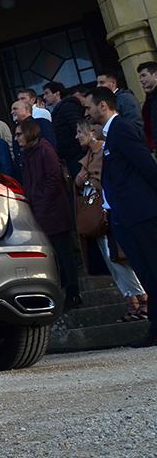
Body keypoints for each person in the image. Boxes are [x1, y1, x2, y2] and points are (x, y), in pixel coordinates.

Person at [86, 86, 157, 348]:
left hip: (141, 213)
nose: (87, 112)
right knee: (147, 273)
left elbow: (146, 165)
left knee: (153, 269)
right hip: (125, 216)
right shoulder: (110, 134)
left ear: (103, 106)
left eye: (89, 107)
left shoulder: (122, 128)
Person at [75, 120, 148, 322]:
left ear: (90, 132)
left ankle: (143, 300)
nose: (76, 137)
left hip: (108, 211)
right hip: (96, 215)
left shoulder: (104, 150)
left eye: (79, 132)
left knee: (119, 258)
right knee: (112, 260)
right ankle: (132, 302)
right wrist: (79, 183)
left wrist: (87, 181)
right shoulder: (89, 156)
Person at [16, 117, 81, 308]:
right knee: (53, 255)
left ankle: (73, 293)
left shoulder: (44, 150)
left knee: (64, 253)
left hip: (53, 210)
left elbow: (54, 179)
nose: (17, 138)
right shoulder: (27, 154)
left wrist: (41, 200)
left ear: (29, 133)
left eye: (20, 134)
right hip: (40, 209)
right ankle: (62, 292)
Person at [44, 81, 85, 176]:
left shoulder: (68, 107)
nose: (44, 97)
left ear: (57, 94)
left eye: (47, 93)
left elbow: (77, 128)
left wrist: (70, 154)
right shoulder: (57, 112)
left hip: (76, 157)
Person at [138, 61, 157, 152]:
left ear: (155, 75)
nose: (141, 80)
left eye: (144, 75)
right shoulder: (151, 98)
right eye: (140, 77)